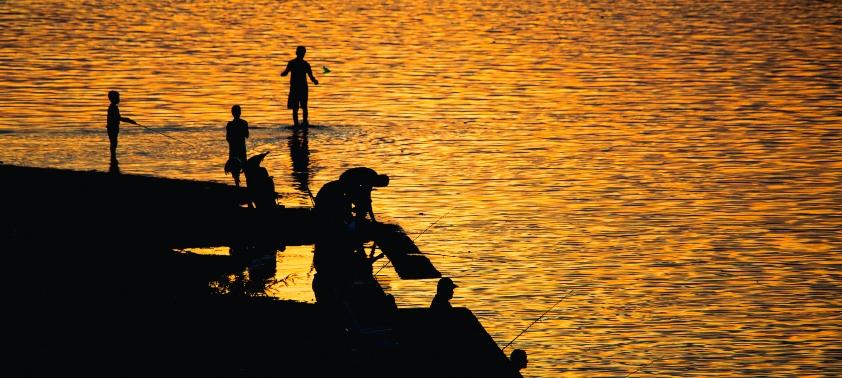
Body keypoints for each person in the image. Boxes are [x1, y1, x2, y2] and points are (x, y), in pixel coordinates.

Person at [280, 46, 318, 128]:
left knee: (295, 108)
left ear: (297, 53)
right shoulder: (305, 64)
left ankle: (296, 124)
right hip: (303, 88)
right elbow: (311, 77)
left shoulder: (292, 63)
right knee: (304, 107)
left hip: (295, 88)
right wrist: (315, 81)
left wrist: (281, 74)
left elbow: (285, 73)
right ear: (304, 54)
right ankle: (304, 123)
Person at [106, 90, 136, 162]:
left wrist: (128, 120)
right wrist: (129, 120)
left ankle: (113, 157)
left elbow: (118, 118)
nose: (119, 99)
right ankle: (113, 156)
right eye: (118, 98)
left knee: (114, 142)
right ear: (113, 99)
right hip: (112, 128)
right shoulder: (113, 108)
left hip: (112, 127)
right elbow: (118, 118)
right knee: (114, 142)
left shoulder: (113, 107)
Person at [225, 105, 249, 187]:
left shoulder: (230, 125)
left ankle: (237, 186)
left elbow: (228, 138)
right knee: (245, 168)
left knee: (235, 170)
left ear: (232, 113)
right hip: (241, 149)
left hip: (233, 149)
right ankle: (248, 186)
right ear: (240, 113)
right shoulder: (244, 123)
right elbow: (247, 135)